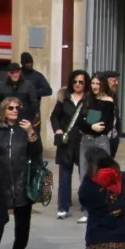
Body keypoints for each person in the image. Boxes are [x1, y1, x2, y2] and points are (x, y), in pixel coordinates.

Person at [0, 95, 41, 249]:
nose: (15, 110)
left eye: (17, 108)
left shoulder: (24, 130)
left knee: (23, 219)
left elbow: (37, 151)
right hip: (1, 181)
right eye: (11, 108)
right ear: (4, 111)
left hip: (22, 178)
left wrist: (31, 132)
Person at [49, 70, 87, 219]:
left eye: (81, 82)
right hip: (66, 141)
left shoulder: (89, 99)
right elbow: (54, 117)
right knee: (65, 175)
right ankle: (63, 207)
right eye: (75, 81)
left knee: (84, 176)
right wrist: (57, 130)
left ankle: (86, 208)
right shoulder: (64, 98)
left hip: (83, 141)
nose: (77, 84)